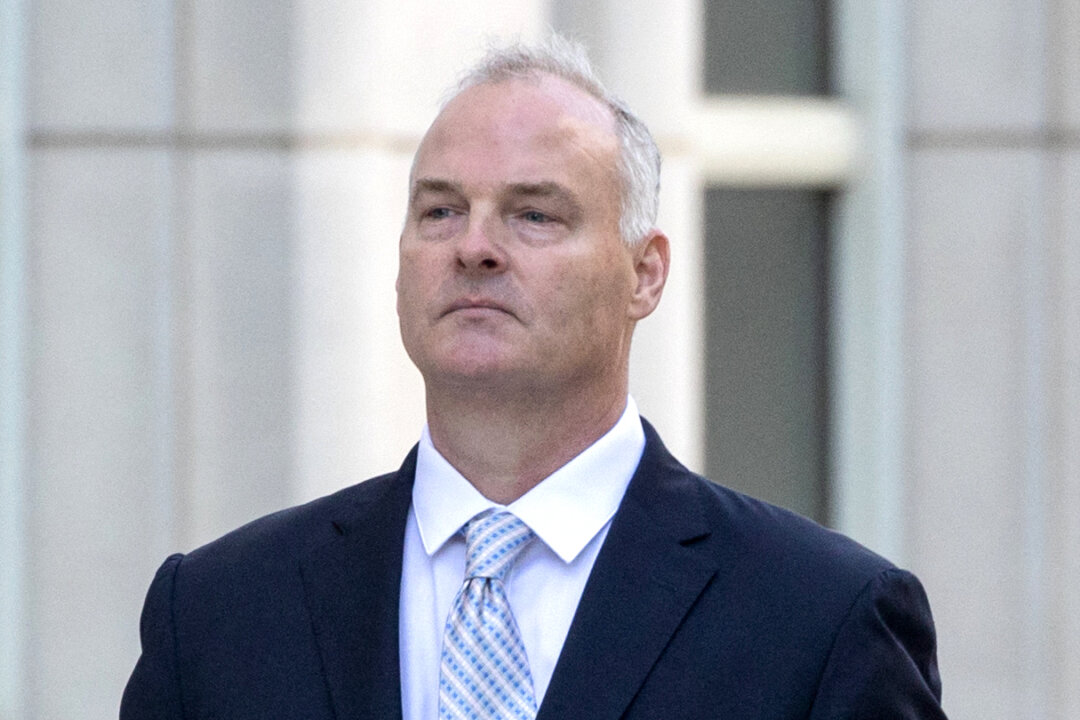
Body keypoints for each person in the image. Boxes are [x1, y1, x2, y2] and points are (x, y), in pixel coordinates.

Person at [121, 37, 946, 720]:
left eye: (534, 215)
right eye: (441, 211)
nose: (474, 248)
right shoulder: (219, 616)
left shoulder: (821, 622)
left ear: (644, 273)